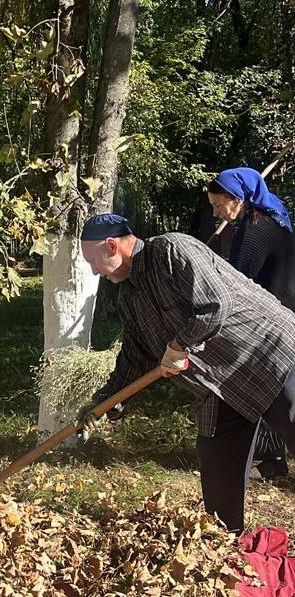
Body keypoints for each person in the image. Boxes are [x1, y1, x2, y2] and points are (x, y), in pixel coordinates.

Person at [76, 212, 295, 534]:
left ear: (112, 246)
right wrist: (104, 402)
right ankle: (223, 541)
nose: (95, 271)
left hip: (268, 355)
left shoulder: (172, 250)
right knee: (217, 456)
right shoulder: (129, 298)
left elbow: (216, 304)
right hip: (223, 384)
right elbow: (134, 358)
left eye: (94, 261)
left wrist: (180, 344)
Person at [207, 166, 295, 478]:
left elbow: (240, 278)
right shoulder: (272, 215)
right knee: (274, 389)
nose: (219, 213)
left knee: (271, 388)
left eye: (220, 206)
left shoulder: (255, 228)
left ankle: (271, 460)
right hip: (284, 310)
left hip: (274, 318)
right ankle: (272, 460)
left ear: (238, 197)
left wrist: (210, 262)